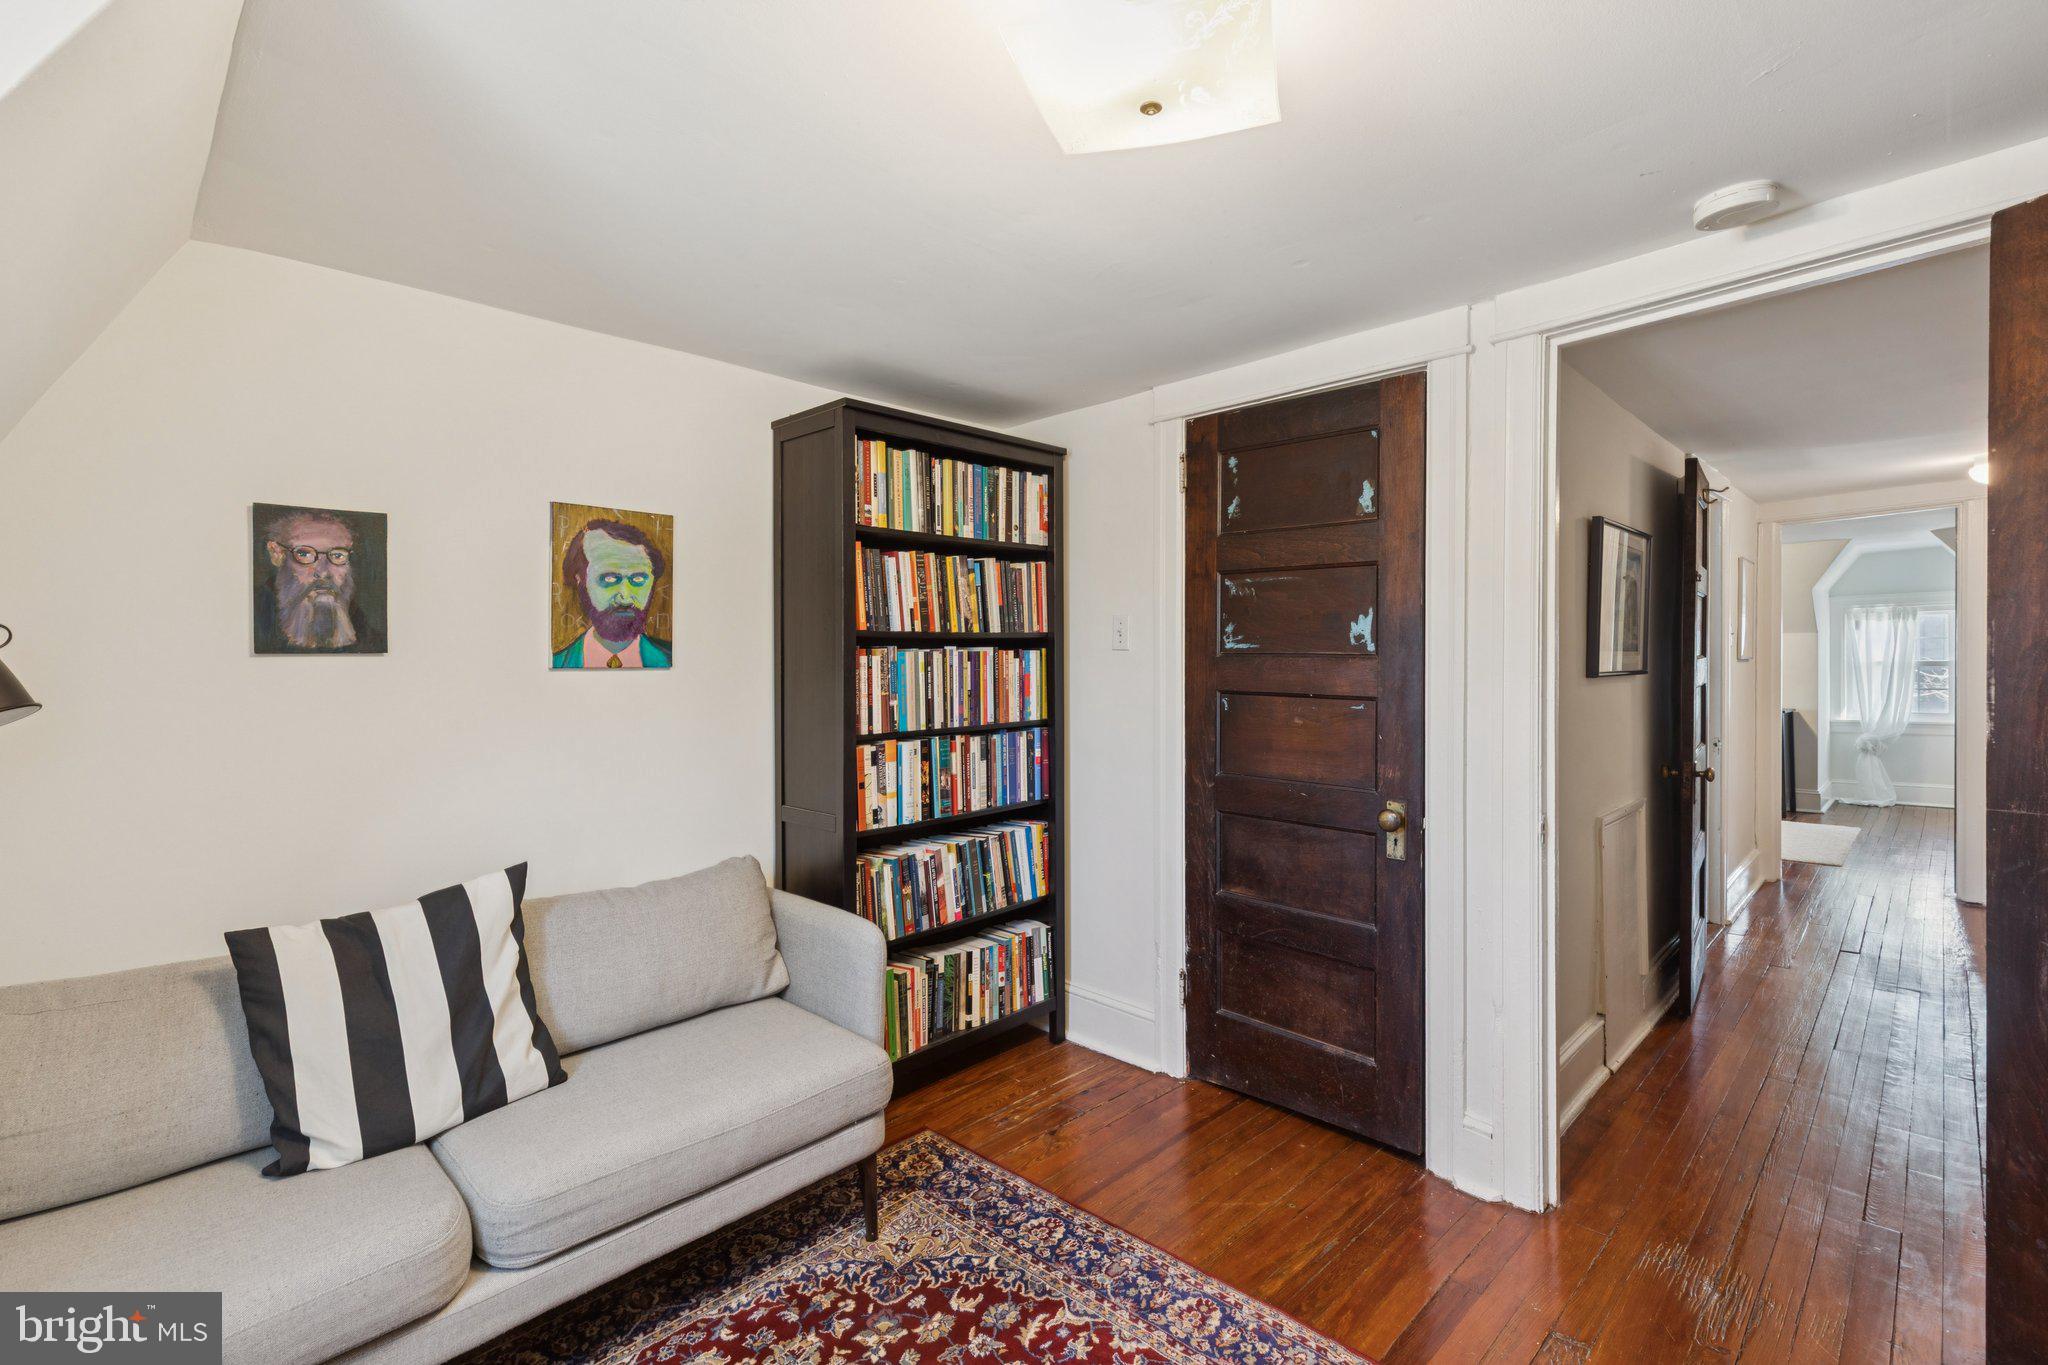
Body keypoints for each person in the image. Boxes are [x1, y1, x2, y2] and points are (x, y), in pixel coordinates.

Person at [255, 508, 384, 653]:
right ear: (277, 554)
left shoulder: (369, 637)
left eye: (337, 556)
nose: (323, 572)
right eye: (304, 554)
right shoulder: (254, 620)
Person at [551, 518, 672, 669]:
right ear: (580, 580)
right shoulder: (557, 664)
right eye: (609, 579)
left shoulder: (670, 660)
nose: (625, 597)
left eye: (638, 579)